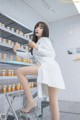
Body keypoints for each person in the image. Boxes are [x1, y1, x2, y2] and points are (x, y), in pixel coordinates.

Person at [13, 21, 65, 120]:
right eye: (36, 27)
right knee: (53, 103)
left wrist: (35, 46)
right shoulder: (37, 43)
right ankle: (31, 101)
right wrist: (16, 51)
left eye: (40, 27)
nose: (37, 28)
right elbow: (29, 55)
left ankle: (31, 101)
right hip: (47, 69)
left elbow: (52, 54)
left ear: (44, 30)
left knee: (19, 71)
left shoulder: (45, 40)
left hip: (49, 68)